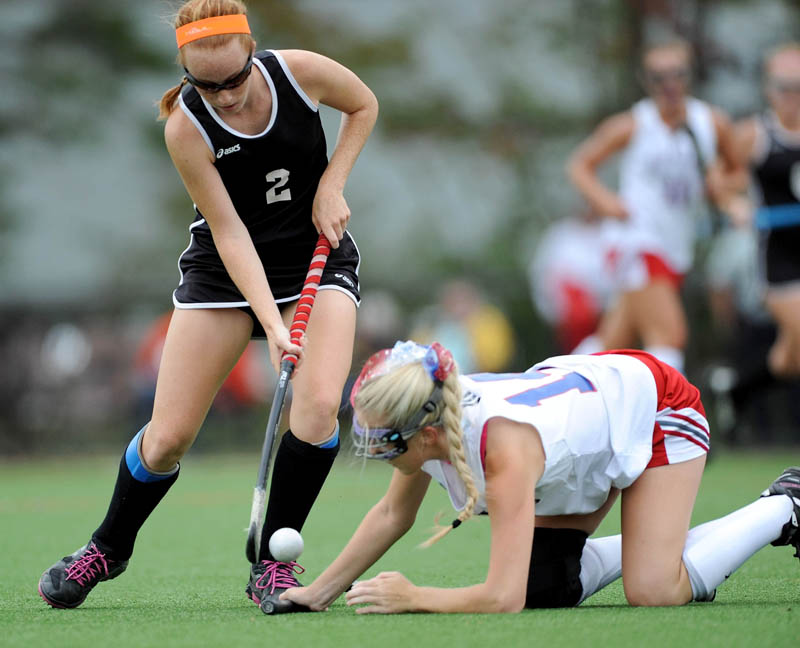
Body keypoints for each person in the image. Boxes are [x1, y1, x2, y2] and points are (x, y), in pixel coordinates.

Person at [38, 0, 378, 615]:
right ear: (186, 71)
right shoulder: (185, 127)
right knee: (167, 438)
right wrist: (273, 325)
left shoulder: (299, 73)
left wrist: (332, 184)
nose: (223, 96)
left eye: (234, 79)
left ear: (252, 53)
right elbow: (229, 232)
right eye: (206, 83)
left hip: (314, 260)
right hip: (225, 273)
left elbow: (364, 105)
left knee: (322, 405)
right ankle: (108, 547)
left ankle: (273, 564)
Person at [279, 341, 800, 613]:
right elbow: (394, 513)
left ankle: (783, 505)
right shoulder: (436, 416)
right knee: (547, 587)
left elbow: (500, 599)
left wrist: (415, 596)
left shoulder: (503, 453)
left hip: (657, 408)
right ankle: (654, 543)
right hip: (592, 409)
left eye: (386, 442)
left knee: (656, 590)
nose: (376, 453)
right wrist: (319, 591)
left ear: (427, 435)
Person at [567, 38, 740, 373]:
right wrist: (606, 202)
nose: (669, 85)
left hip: (675, 242)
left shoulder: (711, 122)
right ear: (646, 81)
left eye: (677, 74)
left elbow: (737, 173)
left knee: (610, 343)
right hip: (637, 240)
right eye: (658, 77)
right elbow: (580, 165)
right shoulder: (633, 124)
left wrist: (724, 189)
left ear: (690, 76)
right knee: (669, 335)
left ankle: (551, 384)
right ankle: (663, 419)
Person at [727, 44, 800, 395]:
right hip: (779, 260)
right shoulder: (754, 135)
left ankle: (737, 393)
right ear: (769, 89)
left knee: (790, 358)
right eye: (785, 87)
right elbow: (722, 182)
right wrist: (736, 204)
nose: (793, 96)